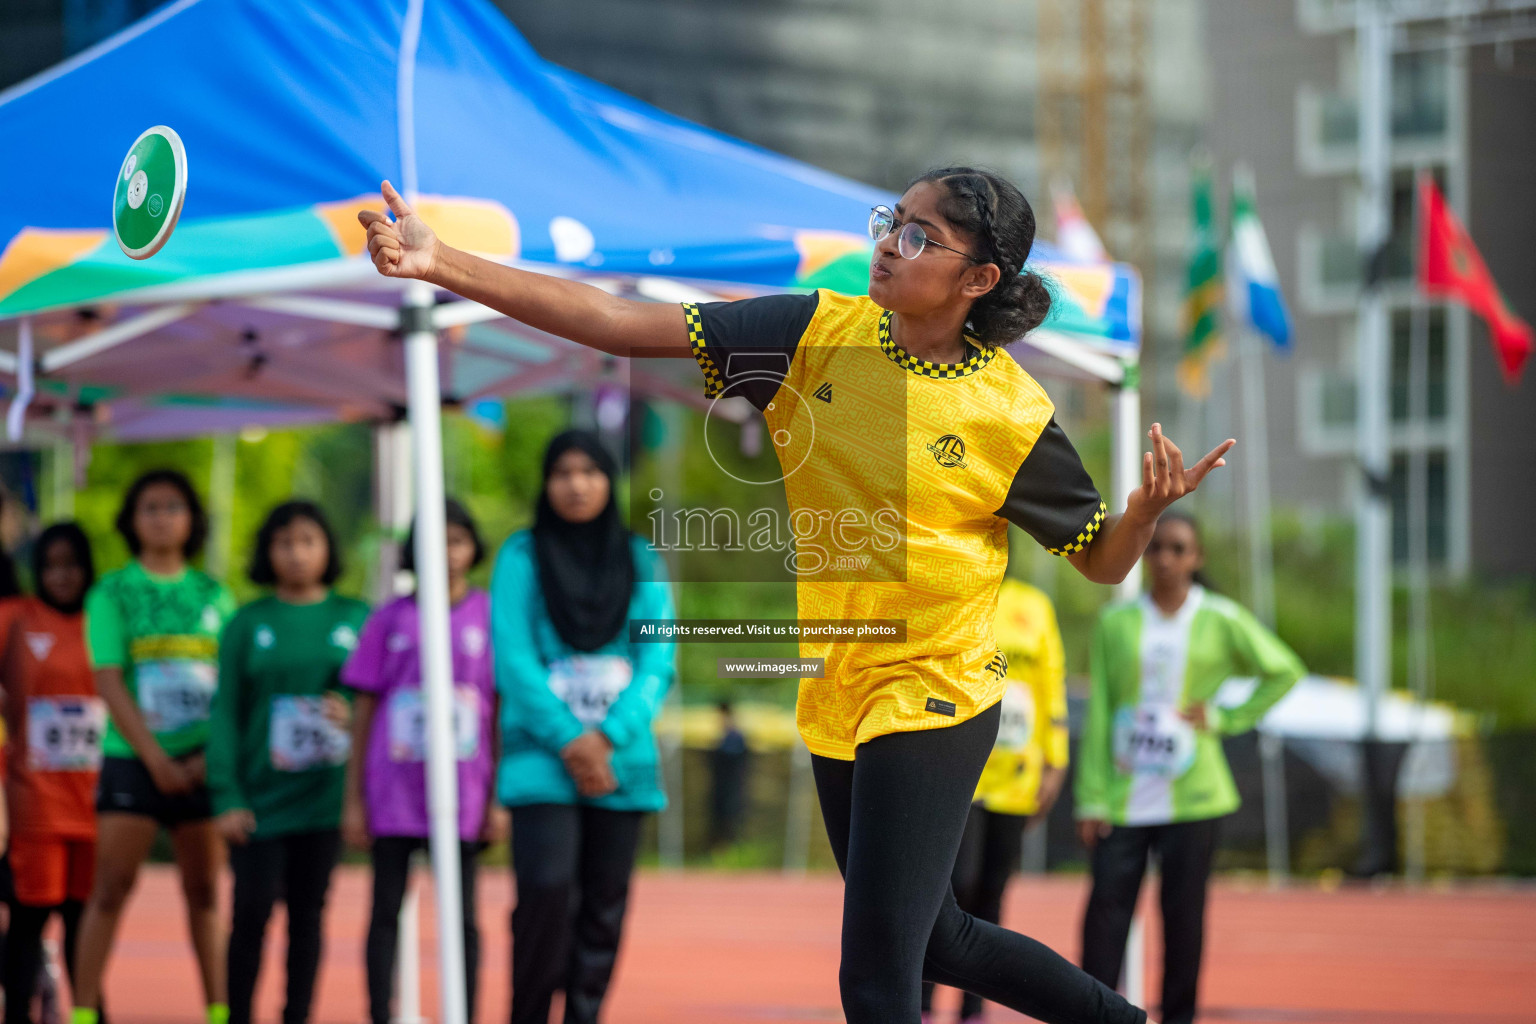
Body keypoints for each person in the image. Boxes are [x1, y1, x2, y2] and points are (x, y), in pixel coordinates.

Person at [360, 167, 1234, 1024]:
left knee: (874, 980)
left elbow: (1098, 560)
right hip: (838, 686)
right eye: (893, 219)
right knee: (939, 942)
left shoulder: (1010, 412)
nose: (891, 244)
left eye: (921, 236)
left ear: (979, 279)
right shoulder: (813, 330)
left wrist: (1143, 514)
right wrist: (443, 265)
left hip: (934, 690)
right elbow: (621, 324)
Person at [1076, 513, 1304, 1024]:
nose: (1164, 558)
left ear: (1196, 558)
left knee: (1182, 922)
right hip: (1122, 795)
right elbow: (1099, 714)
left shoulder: (1221, 618)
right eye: (1155, 547)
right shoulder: (1116, 623)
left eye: (1178, 549)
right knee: (1104, 919)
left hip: (1195, 797)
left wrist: (1225, 717)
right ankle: (1091, 1014)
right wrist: (1091, 796)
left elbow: (1284, 671)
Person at [490, 430, 676, 1024]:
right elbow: (513, 658)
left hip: (621, 761)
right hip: (542, 761)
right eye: (562, 473)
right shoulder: (521, 556)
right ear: (546, 484)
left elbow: (659, 657)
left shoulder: (641, 557)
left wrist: (607, 737)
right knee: (545, 892)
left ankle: (585, 1015)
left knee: (603, 907)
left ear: (608, 483)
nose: (576, 484)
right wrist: (572, 740)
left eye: (591, 472)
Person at [72, 470, 236, 1024]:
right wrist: (156, 759)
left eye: (173, 506)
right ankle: (83, 1012)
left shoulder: (214, 594)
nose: (162, 517)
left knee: (206, 892)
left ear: (192, 518)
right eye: (150, 507)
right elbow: (109, 678)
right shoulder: (113, 592)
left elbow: (231, 684)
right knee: (112, 887)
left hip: (202, 765)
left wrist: (205, 757)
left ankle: (217, 1010)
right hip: (135, 761)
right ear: (132, 519)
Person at [341, 500, 505, 1024]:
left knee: (462, 914)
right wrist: (353, 798)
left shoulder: (490, 616)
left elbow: (498, 710)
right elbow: (364, 708)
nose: (447, 552)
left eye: (457, 539)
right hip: (394, 789)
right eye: (435, 540)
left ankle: (464, 1011)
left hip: (464, 790)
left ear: (472, 548)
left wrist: (499, 796)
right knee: (385, 907)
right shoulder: (390, 617)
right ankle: (380, 1012)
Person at [206, 501, 369, 1024]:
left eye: (307, 541)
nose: (296, 553)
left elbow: (378, 703)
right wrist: (226, 793)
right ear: (267, 551)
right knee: (250, 912)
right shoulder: (247, 622)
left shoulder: (355, 617)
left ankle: (297, 1015)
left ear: (327, 548)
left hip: (323, 802)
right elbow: (226, 711)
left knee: (308, 918)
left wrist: (351, 711)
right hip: (260, 802)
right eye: (284, 543)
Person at [922, 575, 1069, 1024]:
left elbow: (1051, 683)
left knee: (993, 890)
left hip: (1016, 775)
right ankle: (922, 1004)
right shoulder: (948, 591)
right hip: (960, 769)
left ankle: (973, 1008)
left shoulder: (1035, 604)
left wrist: (1055, 761)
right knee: (952, 887)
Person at [0, 524, 100, 1024]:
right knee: (29, 919)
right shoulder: (16, 619)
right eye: (52, 565)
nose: (62, 575)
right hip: (34, 799)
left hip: (96, 799)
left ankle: (90, 1013)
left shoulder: (104, 620)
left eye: (72, 564)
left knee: (86, 921)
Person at [709, 701, 750, 851]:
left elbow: (732, 756)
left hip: (732, 786)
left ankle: (731, 847)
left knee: (731, 814)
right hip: (723, 787)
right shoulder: (725, 734)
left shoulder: (734, 735)